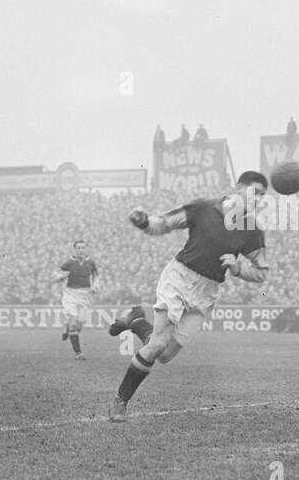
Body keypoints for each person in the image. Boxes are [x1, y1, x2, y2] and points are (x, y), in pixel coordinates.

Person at [106, 172, 270, 421]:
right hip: (179, 277)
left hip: (207, 291)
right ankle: (120, 400)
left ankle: (136, 319)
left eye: (262, 196)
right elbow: (164, 224)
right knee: (159, 343)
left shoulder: (252, 230)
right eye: (255, 192)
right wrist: (143, 221)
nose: (258, 199)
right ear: (238, 188)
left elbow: (261, 272)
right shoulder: (203, 208)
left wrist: (238, 268)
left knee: (164, 354)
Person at [54, 239, 99, 360]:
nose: (80, 250)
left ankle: (67, 326)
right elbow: (56, 273)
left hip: (84, 295)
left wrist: (95, 285)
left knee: (79, 326)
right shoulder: (69, 263)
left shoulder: (91, 263)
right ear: (75, 249)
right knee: (74, 323)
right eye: (78, 248)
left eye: (82, 247)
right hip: (70, 295)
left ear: (85, 249)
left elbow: (96, 275)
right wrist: (60, 276)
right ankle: (78, 353)